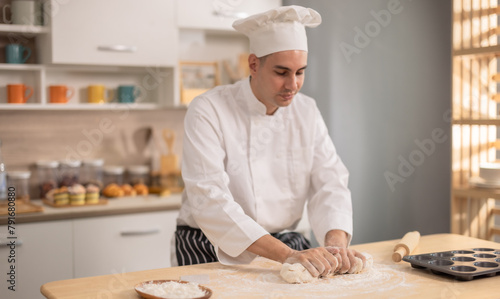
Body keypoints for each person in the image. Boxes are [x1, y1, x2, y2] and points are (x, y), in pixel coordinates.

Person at [173, 5, 364, 278]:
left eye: (300, 72)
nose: (293, 85)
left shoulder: (306, 111)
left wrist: (336, 246)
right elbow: (208, 198)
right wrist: (288, 256)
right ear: (253, 64)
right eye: (281, 72)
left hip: (287, 242)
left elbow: (330, 182)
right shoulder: (208, 109)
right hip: (210, 246)